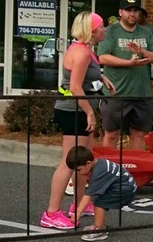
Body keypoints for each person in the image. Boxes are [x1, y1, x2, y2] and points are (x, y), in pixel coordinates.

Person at [40, 12, 114, 230]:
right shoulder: (81, 52)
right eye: (102, 26)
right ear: (92, 31)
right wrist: (89, 113)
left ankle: (79, 204)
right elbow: (74, 87)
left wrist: (101, 77)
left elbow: (85, 75)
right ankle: (51, 213)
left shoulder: (86, 50)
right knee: (69, 162)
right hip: (73, 111)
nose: (105, 30)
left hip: (80, 110)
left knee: (84, 160)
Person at [97, 0, 153, 150]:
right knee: (112, 134)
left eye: (135, 10)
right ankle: (109, 166)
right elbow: (102, 57)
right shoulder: (111, 31)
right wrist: (128, 63)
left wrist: (142, 51)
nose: (132, 14)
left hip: (141, 94)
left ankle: (134, 166)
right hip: (115, 94)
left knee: (139, 134)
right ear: (120, 12)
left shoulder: (145, 32)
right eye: (128, 10)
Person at [65, 144, 138, 241]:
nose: (79, 172)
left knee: (99, 202)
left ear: (88, 163)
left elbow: (88, 195)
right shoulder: (99, 163)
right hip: (125, 186)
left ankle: (99, 230)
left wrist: (77, 213)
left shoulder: (99, 171)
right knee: (98, 199)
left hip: (125, 190)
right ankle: (99, 225)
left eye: (79, 170)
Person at [137, 7, 153, 82]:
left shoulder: (151, 29)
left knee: (151, 77)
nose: (137, 18)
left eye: (139, 16)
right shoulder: (134, 27)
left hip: (148, 54)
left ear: (144, 17)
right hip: (137, 54)